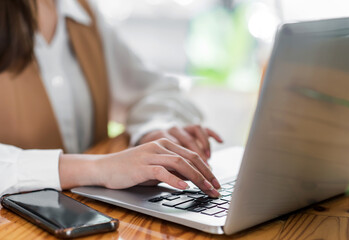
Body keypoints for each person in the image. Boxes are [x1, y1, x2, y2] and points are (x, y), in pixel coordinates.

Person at [0, 0, 223, 198]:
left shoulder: (82, 12)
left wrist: (153, 130)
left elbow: (153, 89)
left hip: (89, 215)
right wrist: (98, 168)